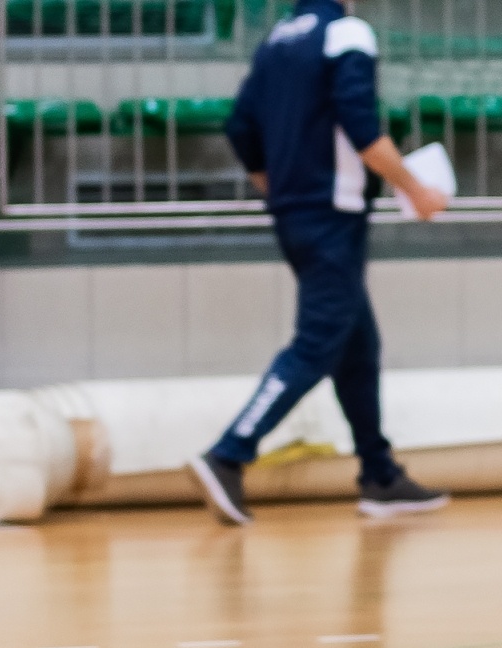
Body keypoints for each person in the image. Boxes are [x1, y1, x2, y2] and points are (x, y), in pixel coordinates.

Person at [187, 0, 450, 525]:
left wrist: (278, 187)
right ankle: (229, 453)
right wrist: (416, 189)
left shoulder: (277, 39)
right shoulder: (346, 34)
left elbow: (240, 126)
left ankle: (379, 476)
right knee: (319, 338)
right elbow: (361, 126)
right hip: (333, 214)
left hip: (294, 212)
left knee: (356, 344)